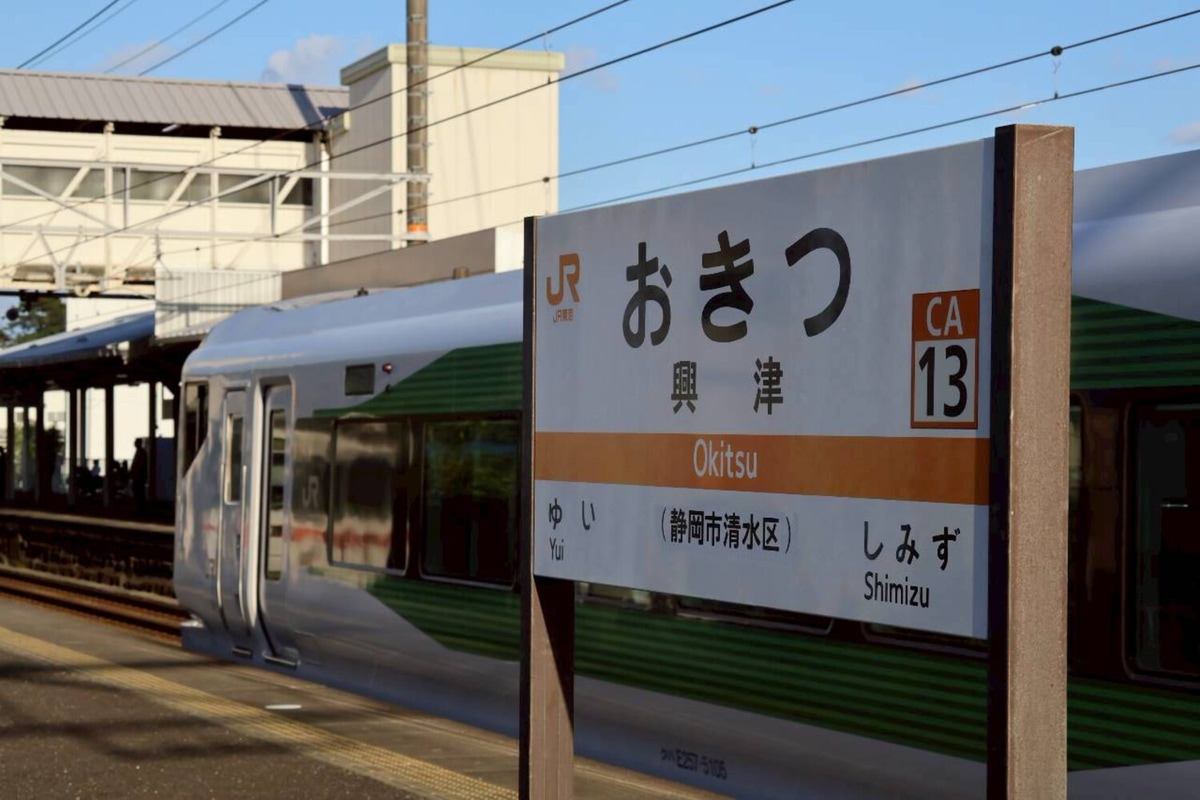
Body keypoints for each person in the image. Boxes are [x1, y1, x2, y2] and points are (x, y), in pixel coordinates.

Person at [130, 439, 148, 515]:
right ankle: (139, 508)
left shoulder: (141, 453)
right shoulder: (140, 452)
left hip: (139, 477)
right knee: (138, 493)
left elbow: (140, 465)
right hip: (138, 476)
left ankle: (140, 509)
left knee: (139, 493)